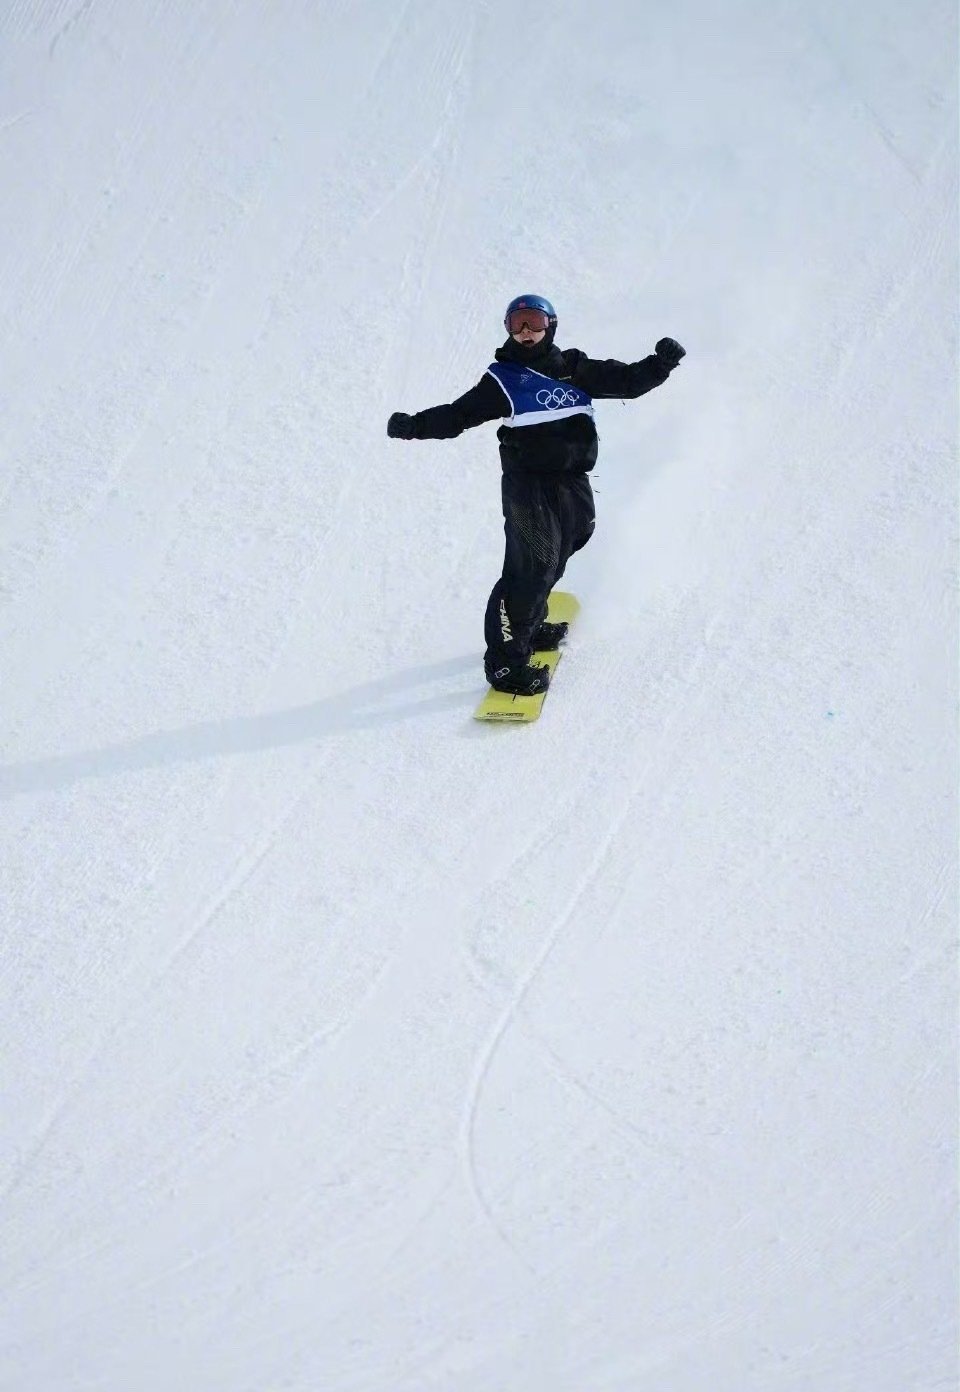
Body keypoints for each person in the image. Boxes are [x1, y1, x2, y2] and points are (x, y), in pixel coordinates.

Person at [386, 294, 685, 694]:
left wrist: (660, 364)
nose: (526, 332)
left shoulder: (574, 369)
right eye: (517, 324)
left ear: (551, 326)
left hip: (571, 480)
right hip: (527, 484)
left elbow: (628, 382)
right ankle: (506, 664)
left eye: (534, 322)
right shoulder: (503, 380)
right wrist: (415, 425)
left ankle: (530, 624)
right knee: (532, 564)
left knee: (568, 543)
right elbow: (458, 415)